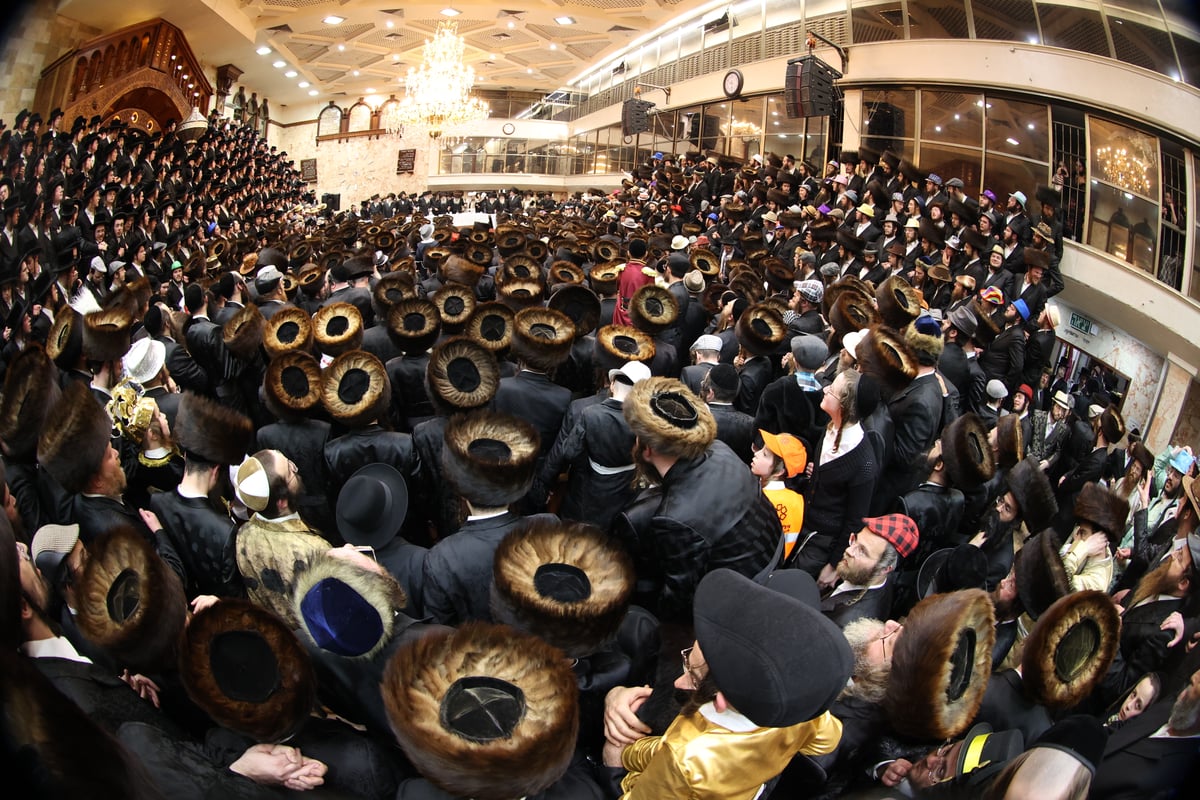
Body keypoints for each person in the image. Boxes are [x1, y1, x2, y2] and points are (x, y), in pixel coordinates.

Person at [605, 569, 851, 799]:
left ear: (721, 700)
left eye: (692, 673)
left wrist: (619, 759)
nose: (679, 682)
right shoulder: (803, 706)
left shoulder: (689, 757)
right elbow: (827, 739)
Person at [790, 368, 880, 579]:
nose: (825, 388)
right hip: (802, 522)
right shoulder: (830, 428)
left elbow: (854, 520)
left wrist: (832, 566)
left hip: (822, 542)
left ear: (844, 407)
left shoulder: (863, 463)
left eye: (832, 390)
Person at [752, 429, 807, 560]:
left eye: (765, 454)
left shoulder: (759, 498)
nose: (757, 454)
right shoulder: (798, 500)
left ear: (779, 472)